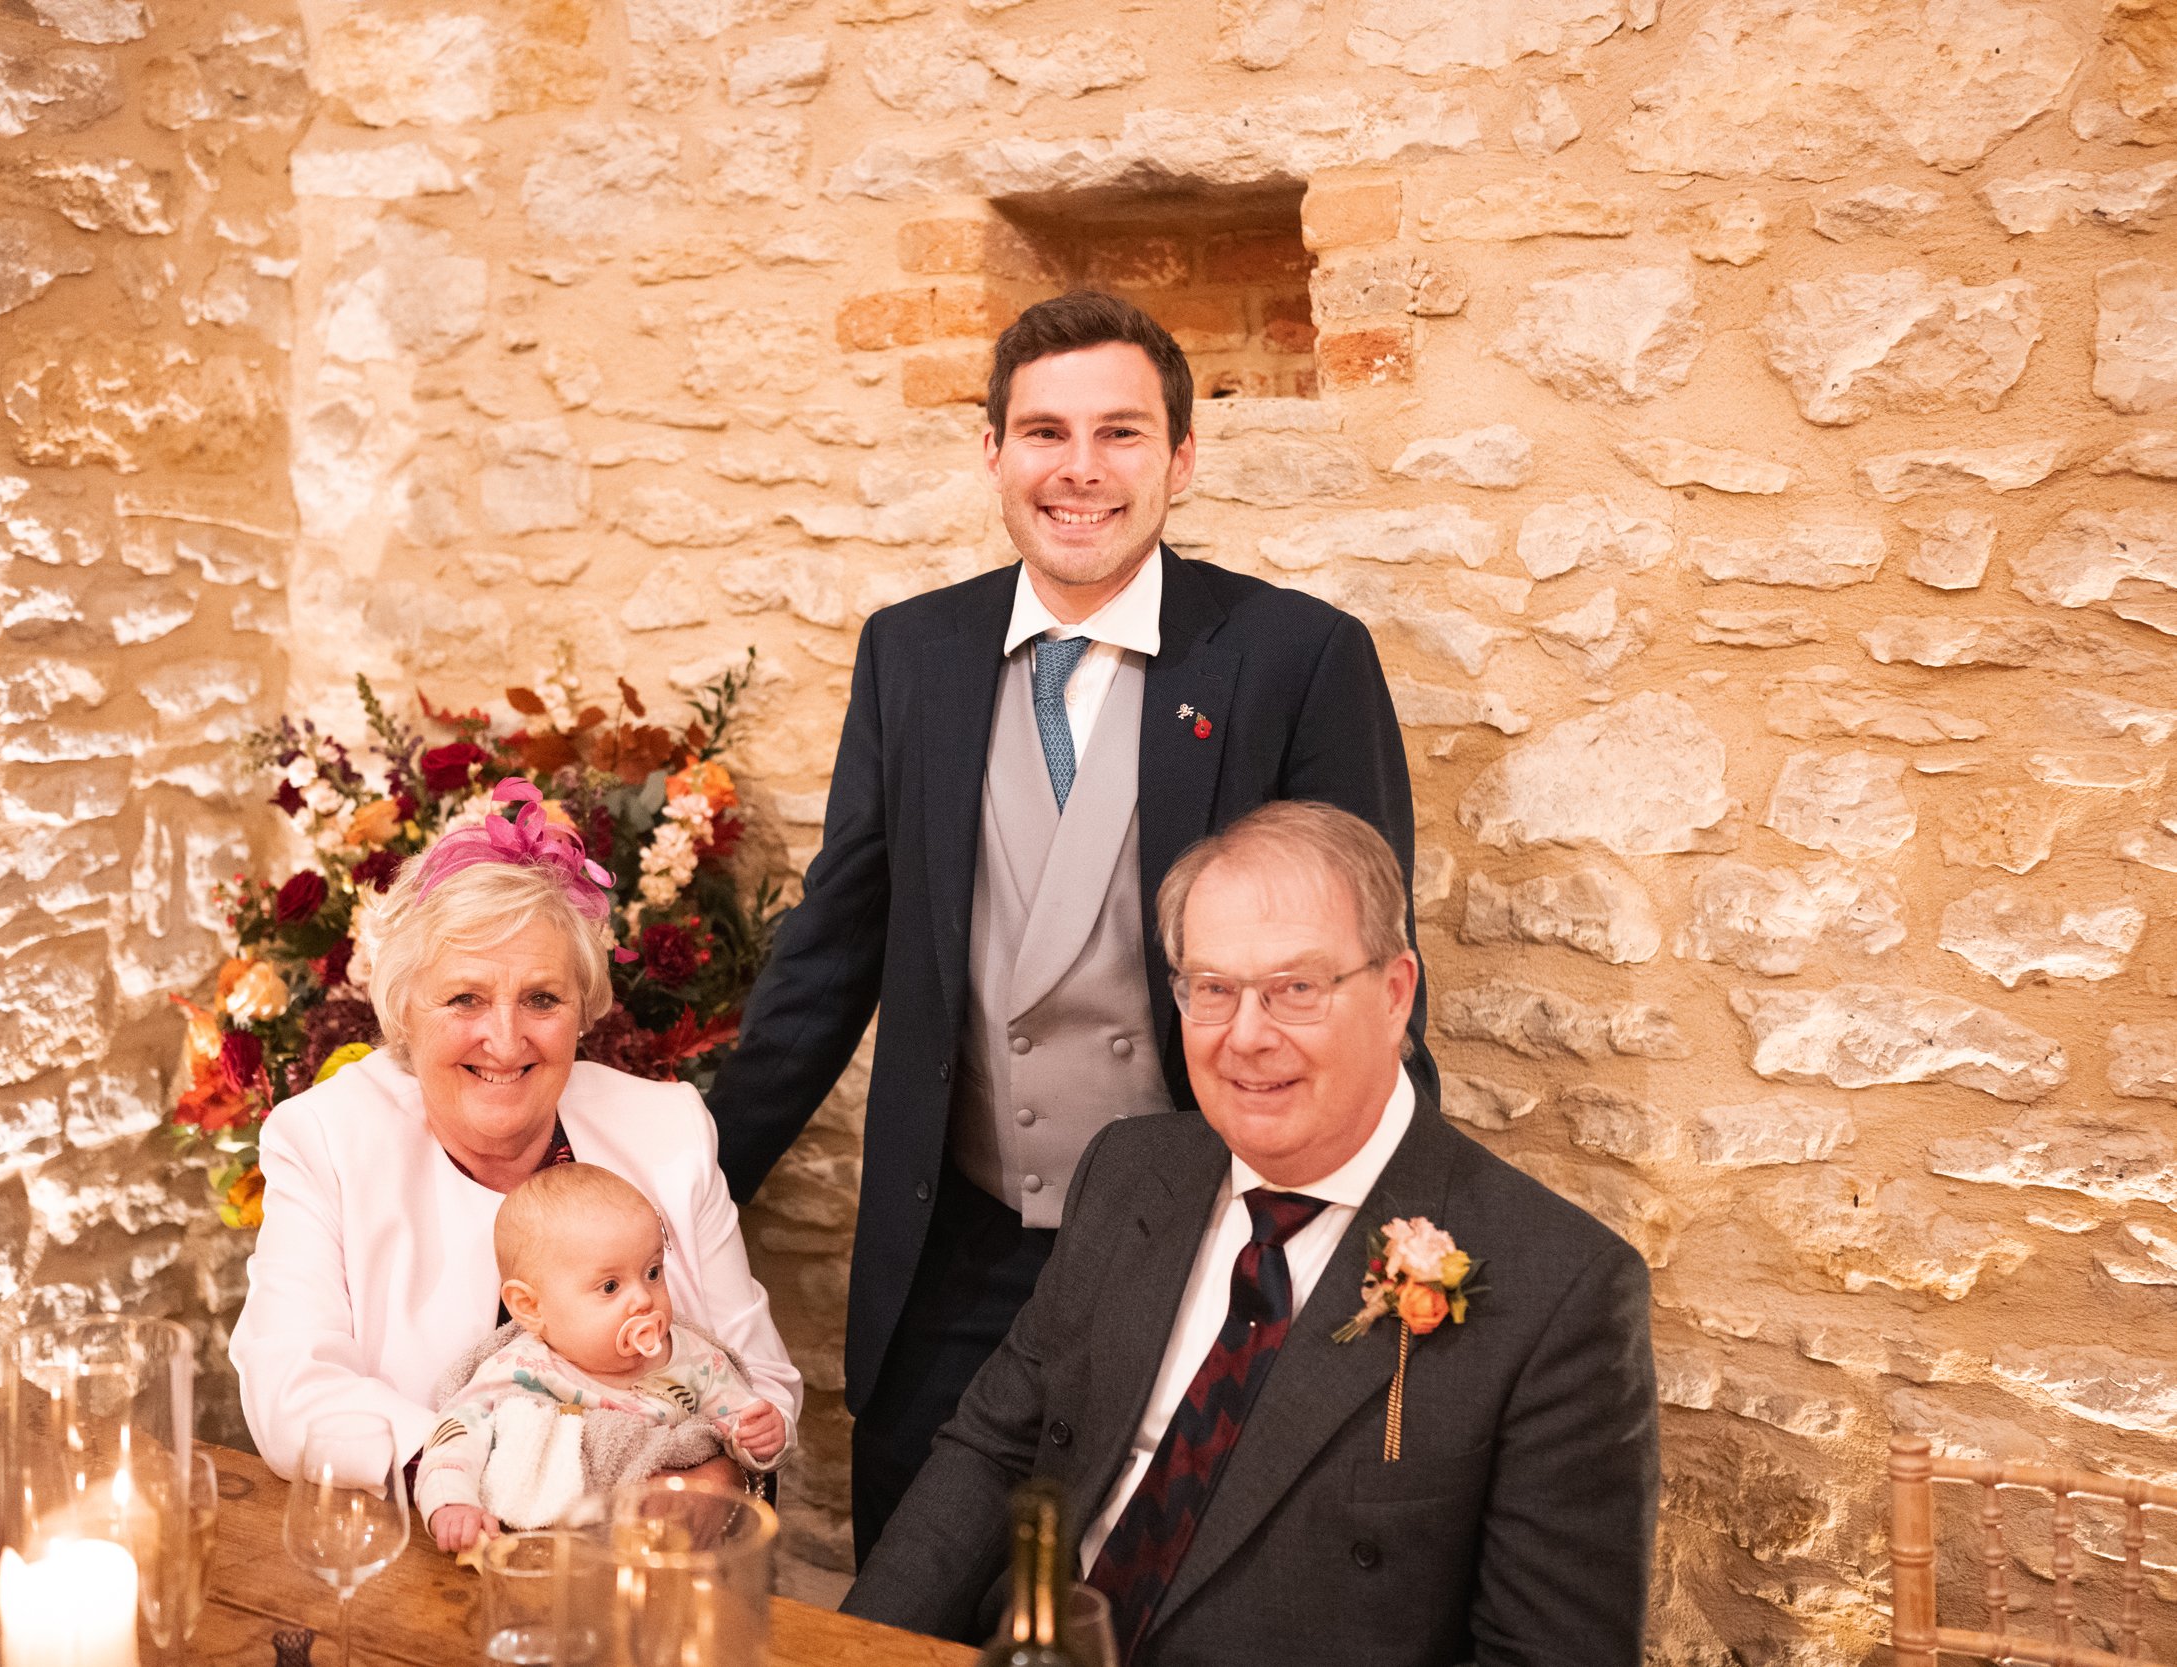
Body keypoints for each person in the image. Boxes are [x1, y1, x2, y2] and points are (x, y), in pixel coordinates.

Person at [707, 290, 1433, 1556]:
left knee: (1159, 1609)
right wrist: (682, 1182)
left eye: (1121, 433)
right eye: (1044, 431)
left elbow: (1364, 982)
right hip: (955, 1250)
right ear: (992, 453)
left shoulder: (1298, 656)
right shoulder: (911, 653)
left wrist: (1407, 1255)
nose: (1080, 469)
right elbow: (833, 951)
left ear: (1181, 460)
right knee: (918, 1604)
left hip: (1203, 1248)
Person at [844, 802, 1658, 1666]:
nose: (1245, 1036)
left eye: (1295, 989)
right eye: (1213, 989)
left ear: (1394, 994)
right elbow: (993, 1448)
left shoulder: (1561, 1290)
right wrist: (849, 1650)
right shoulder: (1128, 1172)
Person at [230, 781, 800, 1494]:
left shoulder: (668, 1128)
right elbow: (292, 1393)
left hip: (644, 1565)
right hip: (424, 1556)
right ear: (405, 1006)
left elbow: (764, 1379)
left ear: (583, 1008)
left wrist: (714, 1471)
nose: (505, 1039)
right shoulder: (324, 1139)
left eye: (542, 998)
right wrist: (497, 1479)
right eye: (465, 997)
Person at [419, 1163, 790, 1550]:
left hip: (666, 1546)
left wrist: (765, 1437)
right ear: (530, 1307)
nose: (643, 1299)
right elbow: (455, 1436)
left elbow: (743, 1424)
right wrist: (451, 1503)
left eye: (652, 1272)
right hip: (553, 1552)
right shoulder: (519, 1370)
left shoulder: (695, 1360)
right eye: (610, 1286)